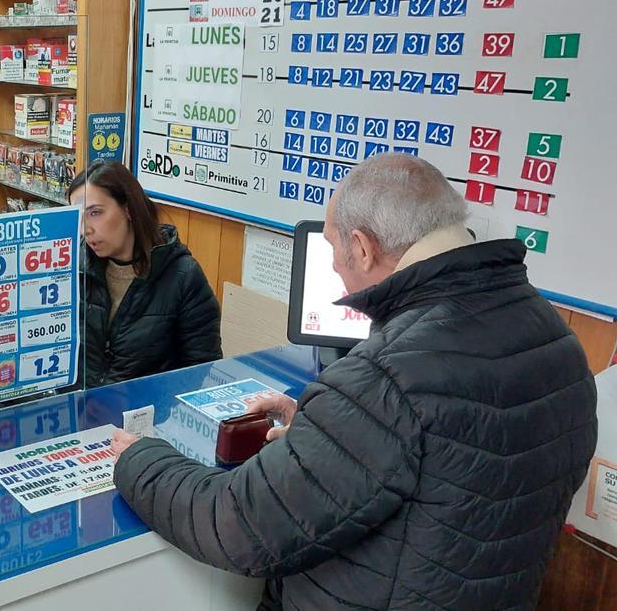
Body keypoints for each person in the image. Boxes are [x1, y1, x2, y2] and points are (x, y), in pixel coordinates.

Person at [110, 153, 598, 610]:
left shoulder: (386, 376)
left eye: (333, 249)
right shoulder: (557, 341)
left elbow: (239, 525)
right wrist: (326, 432)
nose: (335, 268)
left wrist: (139, 457)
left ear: (363, 248)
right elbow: (458, 471)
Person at [68, 162, 221, 387]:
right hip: (80, 412)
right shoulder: (74, 266)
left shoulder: (184, 276)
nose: (85, 229)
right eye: (79, 216)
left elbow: (201, 367)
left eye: (95, 213)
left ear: (128, 209)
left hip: (147, 416)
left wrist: (153, 407)